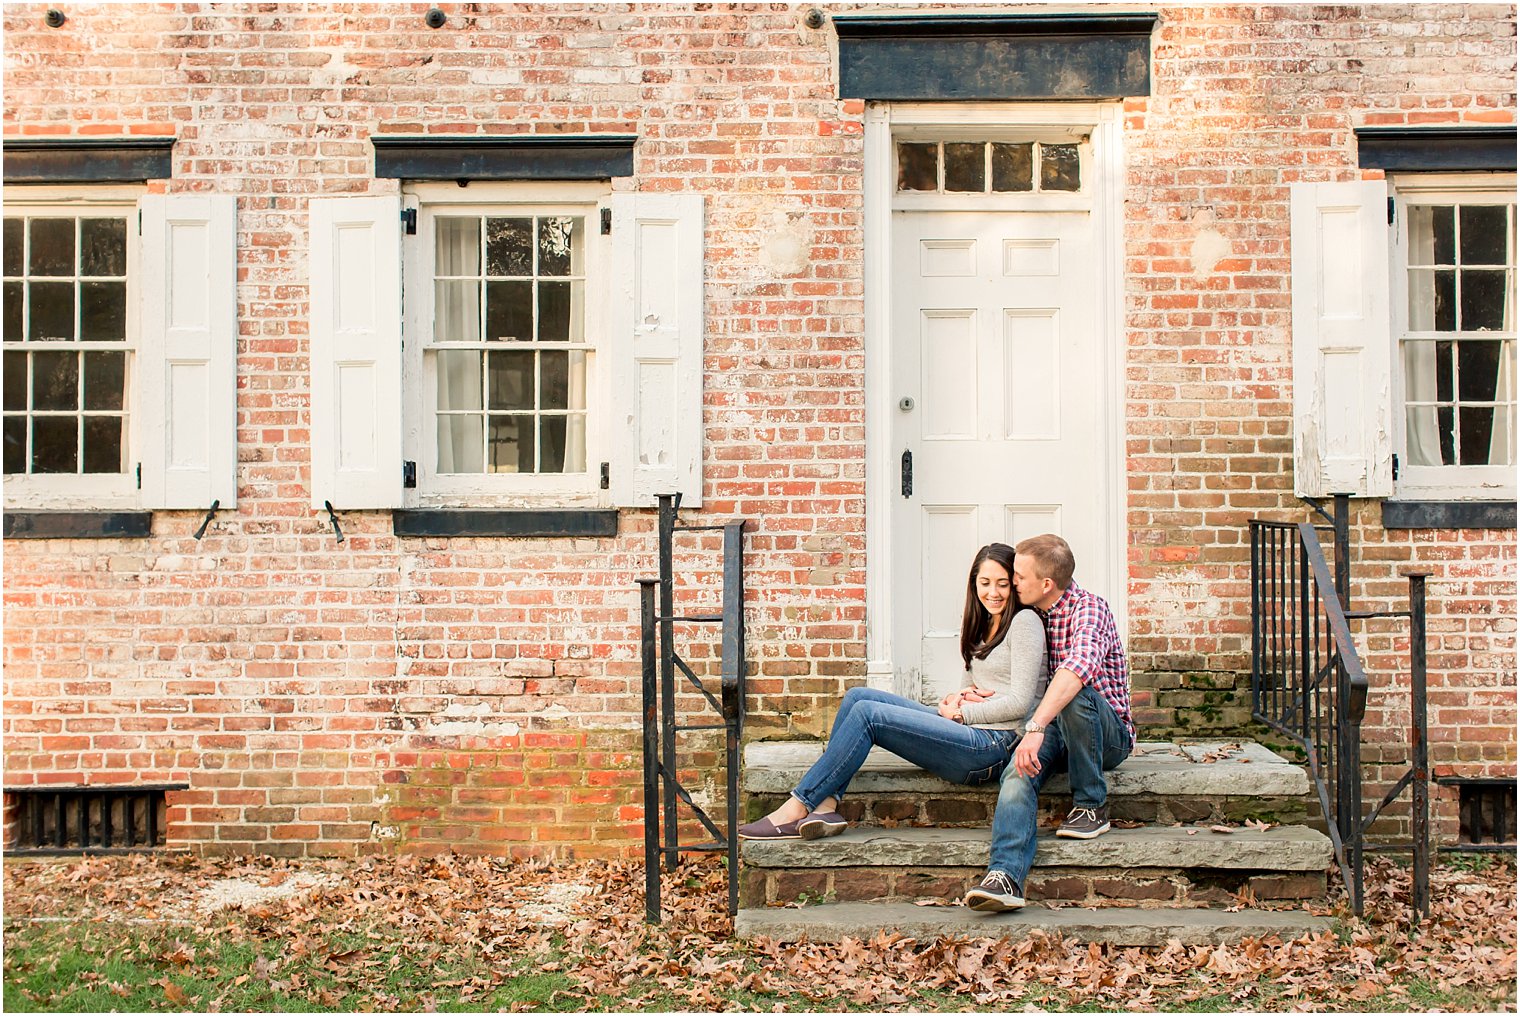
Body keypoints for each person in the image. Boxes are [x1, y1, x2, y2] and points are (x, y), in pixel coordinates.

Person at [737, 543, 1049, 840]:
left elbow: (1020, 703)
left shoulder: (1024, 622)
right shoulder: (983, 622)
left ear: (1014, 585)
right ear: (974, 583)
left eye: (1002, 584)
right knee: (858, 697)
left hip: (994, 745)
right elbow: (973, 684)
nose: (992, 592)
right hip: (971, 728)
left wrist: (960, 713)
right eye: (985, 582)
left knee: (868, 715)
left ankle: (798, 807)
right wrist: (957, 698)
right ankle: (826, 806)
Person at [963, 533, 1135, 913]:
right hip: (1054, 729)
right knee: (1017, 773)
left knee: (1073, 692)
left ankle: (1092, 803)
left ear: (1046, 585)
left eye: (1018, 576)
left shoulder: (1089, 610)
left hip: (1106, 737)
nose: (1011, 581)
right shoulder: (1032, 613)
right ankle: (1004, 877)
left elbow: (1076, 671)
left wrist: (1034, 728)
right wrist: (970, 695)